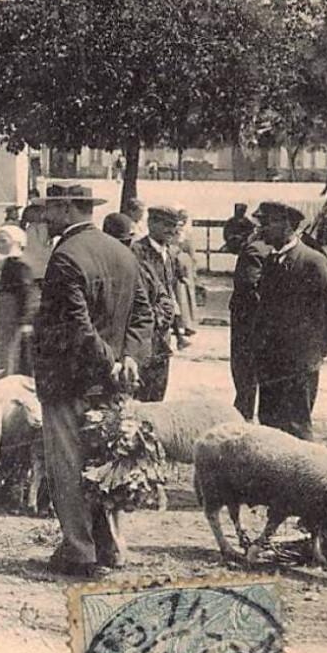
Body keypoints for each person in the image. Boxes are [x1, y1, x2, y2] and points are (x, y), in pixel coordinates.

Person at [33, 183, 153, 578]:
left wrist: (110, 362)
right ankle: (111, 546)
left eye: (51, 209)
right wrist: (129, 358)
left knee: (68, 466)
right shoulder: (122, 252)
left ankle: (79, 550)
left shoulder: (66, 256)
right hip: (111, 383)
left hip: (70, 379)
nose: (45, 216)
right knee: (106, 462)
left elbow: (77, 326)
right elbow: (142, 315)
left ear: (67, 209)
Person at [250, 200, 327, 440]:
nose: (261, 229)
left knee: (297, 429)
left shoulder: (313, 262)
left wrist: (313, 355)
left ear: (288, 225)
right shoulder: (271, 261)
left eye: (267, 223)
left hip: (298, 365)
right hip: (270, 363)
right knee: (269, 428)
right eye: (261, 222)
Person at [131, 204, 184, 402]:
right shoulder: (137, 251)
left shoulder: (169, 253)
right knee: (141, 391)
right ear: (151, 223)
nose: (171, 231)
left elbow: (170, 291)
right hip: (145, 331)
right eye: (166, 225)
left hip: (163, 333)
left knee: (159, 388)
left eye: (174, 226)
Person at [0, 225, 37, 375]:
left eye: (4, 241)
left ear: (16, 242)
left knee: (9, 357)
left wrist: (26, 322)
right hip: (1, 319)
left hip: (12, 320)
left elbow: (29, 293)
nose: (0, 245)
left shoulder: (21, 264)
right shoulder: (7, 264)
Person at [230, 220, 271, 421]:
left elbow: (248, 286)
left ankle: (243, 415)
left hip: (247, 320)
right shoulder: (271, 248)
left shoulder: (254, 249)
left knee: (244, 370)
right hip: (264, 321)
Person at [173, 211, 199, 342]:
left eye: (185, 219)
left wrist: (194, 269)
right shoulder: (174, 231)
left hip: (186, 262)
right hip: (177, 262)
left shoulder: (187, 233)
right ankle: (181, 323)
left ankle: (189, 323)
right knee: (179, 294)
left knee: (187, 293)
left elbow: (192, 251)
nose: (183, 221)